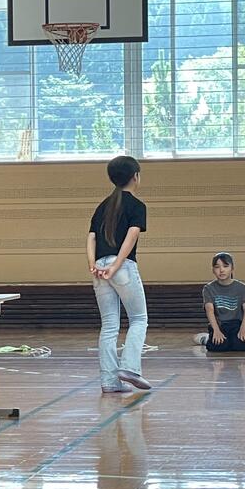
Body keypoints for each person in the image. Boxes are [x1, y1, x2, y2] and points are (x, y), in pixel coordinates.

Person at [86, 155, 151, 394]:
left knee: (109, 325)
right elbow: (131, 236)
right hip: (121, 267)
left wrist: (93, 265)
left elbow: (91, 238)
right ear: (135, 176)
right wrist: (116, 265)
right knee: (139, 318)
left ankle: (109, 381)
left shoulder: (103, 206)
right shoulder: (137, 205)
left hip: (99, 267)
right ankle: (130, 368)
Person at [200, 252, 245, 352]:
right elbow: (210, 310)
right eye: (217, 267)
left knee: (242, 345)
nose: (221, 270)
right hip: (219, 325)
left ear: (232, 268)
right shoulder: (208, 288)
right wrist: (216, 331)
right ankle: (205, 338)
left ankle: (230, 340)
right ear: (213, 270)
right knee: (218, 346)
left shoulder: (241, 287)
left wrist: (243, 329)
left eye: (225, 266)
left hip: (236, 324)